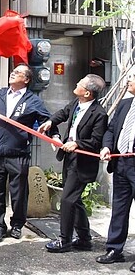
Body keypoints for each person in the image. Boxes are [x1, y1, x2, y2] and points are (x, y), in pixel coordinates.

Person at [0, 63, 50, 243]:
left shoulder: (33, 100)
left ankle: (17, 225)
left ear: (27, 79)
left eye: (18, 72)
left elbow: (46, 120)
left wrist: (53, 133)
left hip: (18, 154)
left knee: (19, 193)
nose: (13, 73)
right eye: (13, 72)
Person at [37, 74, 108, 253]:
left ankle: (64, 240)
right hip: (69, 159)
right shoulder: (76, 104)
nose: (76, 83)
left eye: (80, 83)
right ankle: (84, 239)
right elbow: (63, 113)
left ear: (87, 93)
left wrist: (77, 143)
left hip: (83, 163)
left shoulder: (99, 114)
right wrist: (50, 122)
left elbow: (96, 140)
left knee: (68, 200)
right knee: (75, 201)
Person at [96, 74, 135, 270]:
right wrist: (107, 147)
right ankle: (114, 249)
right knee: (119, 208)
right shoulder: (125, 104)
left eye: (133, 78)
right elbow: (111, 130)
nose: (129, 81)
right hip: (121, 164)